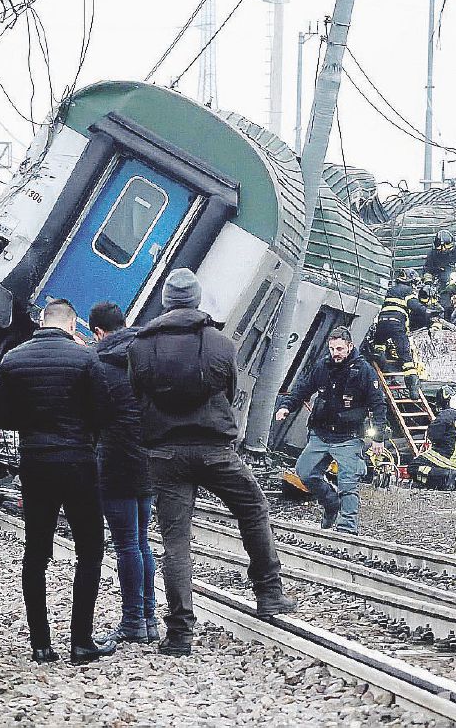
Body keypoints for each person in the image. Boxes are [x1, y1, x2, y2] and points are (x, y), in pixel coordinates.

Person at [130, 269, 296, 657]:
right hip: (215, 449)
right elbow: (231, 390)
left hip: (166, 453)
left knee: (175, 541)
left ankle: (180, 633)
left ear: (167, 301)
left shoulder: (140, 346)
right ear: (197, 300)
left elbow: (137, 395)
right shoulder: (220, 343)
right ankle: (269, 594)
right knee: (253, 509)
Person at [0, 299, 115, 665]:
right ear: (72, 325)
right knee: (90, 550)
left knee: (37, 551)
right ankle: (81, 642)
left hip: (35, 464)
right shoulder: (86, 358)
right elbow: (104, 412)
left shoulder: (14, 358)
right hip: (78, 462)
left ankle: (41, 645)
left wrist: (32, 420)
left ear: (41, 322)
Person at [89, 301, 157, 645]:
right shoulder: (146, 353)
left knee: (126, 543)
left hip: (115, 458)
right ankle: (149, 619)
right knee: (142, 541)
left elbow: (93, 415)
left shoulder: (100, 364)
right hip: (147, 456)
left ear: (98, 332)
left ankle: (133, 621)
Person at [278, 326, 387, 535]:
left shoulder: (364, 371)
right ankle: (331, 502)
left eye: (339, 349)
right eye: (332, 349)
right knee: (305, 473)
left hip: (348, 436)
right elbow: (303, 388)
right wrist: (286, 406)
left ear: (349, 347)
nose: (335, 353)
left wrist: (378, 438)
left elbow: (378, 404)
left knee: (348, 483)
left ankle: (347, 529)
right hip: (321, 433)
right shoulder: (323, 366)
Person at [371, 269, 431, 398]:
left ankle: (382, 366)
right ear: (410, 281)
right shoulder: (407, 291)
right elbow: (414, 306)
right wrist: (427, 312)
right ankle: (413, 389)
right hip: (396, 324)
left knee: (379, 347)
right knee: (406, 357)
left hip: (381, 323)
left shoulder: (390, 290)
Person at [410, 387, 456, 490]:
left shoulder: (446, 415)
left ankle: (446, 476)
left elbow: (433, 436)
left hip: (444, 458)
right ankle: (454, 477)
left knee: (413, 467)